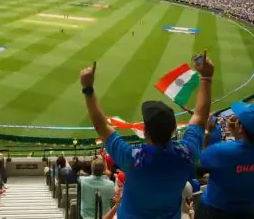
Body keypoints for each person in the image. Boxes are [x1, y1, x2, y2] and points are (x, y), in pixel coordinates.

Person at [80, 52, 214, 219]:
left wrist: (88, 88)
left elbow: (101, 127)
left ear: (144, 131)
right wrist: (206, 78)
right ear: (173, 130)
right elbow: (200, 118)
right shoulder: (187, 153)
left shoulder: (132, 158)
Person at [196, 101, 254, 219]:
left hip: (214, 209)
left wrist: (206, 134)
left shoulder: (221, 151)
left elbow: (200, 165)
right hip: (247, 210)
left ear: (241, 128)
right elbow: (248, 155)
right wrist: (237, 132)